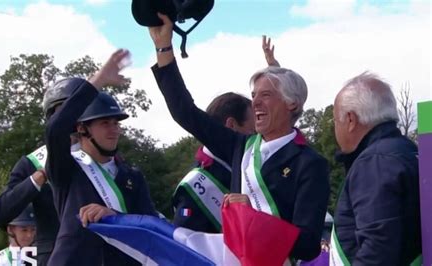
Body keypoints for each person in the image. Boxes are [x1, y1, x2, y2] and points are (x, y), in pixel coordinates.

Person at [149, 13, 330, 262]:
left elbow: (308, 245)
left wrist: (254, 217)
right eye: (254, 94)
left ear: (292, 104)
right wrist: (163, 47)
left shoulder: (310, 164)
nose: (255, 101)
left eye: (266, 95)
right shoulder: (240, 146)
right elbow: (185, 112)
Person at [45, 49, 158, 265]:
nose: (114, 129)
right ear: (82, 128)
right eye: (105, 123)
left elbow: (150, 226)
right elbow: (55, 129)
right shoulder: (67, 169)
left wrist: (113, 216)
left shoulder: (133, 177)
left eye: (116, 123)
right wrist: (98, 81)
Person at [331, 72, 422, 265]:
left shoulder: (374, 162)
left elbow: (377, 247)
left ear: (350, 120)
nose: (335, 129)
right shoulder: (409, 151)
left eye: (335, 121)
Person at [0, 81, 70, 265]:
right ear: (52, 118)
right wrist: (39, 177)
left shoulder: (104, 160)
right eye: (65, 111)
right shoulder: (31, 163)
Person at [172, 92, 254, 233]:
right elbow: (186, 245)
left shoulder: (252, 168)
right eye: (253, 131)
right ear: (232, 125)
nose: (258, 139)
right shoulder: (194, 187)